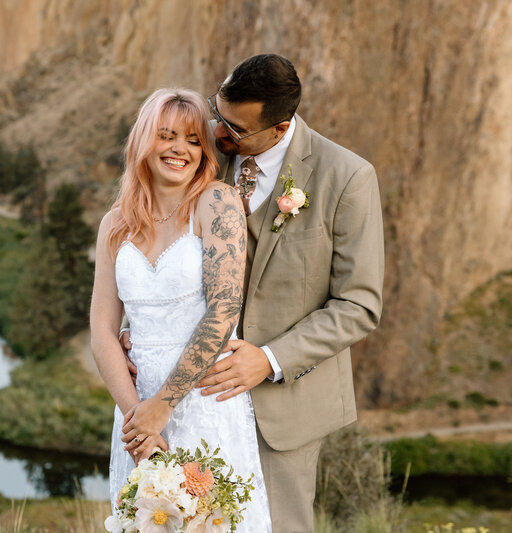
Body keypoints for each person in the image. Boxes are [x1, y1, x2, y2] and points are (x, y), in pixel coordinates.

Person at [120, 54, 385, 532]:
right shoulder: (202, 152)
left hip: (282, 406)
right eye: (216, 114)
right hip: (190, 396)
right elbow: (161, 243)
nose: (218, 133)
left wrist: (269, 359)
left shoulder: (345, 178)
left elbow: (359, 306)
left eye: (234, 130)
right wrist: (136, 322)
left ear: (279, 129)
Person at [90, 88, 272, 532]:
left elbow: (224, 310)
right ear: (144, 141)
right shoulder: (115, 223)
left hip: (204, 399)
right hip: (135, 409)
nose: (179, 149)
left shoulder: (217, 203)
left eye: (193, 140)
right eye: (166, 135)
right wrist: (138, 424)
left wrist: (163, 406)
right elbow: (101, 327)